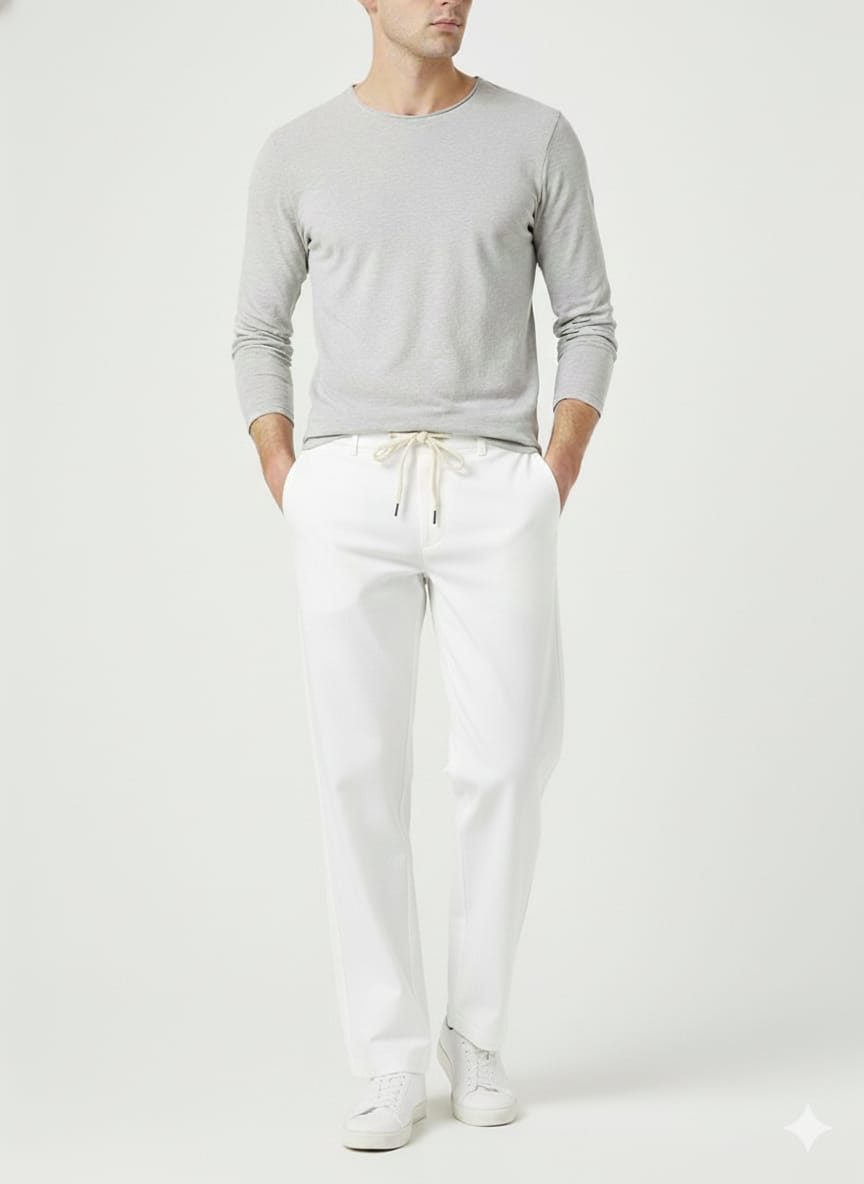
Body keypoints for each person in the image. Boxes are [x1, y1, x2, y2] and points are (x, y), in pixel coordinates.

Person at [231, 0, 617, 1153]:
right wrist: (290, 475)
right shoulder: (297, 152)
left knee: (504, 764)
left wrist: (553, 469)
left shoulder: (535, 136)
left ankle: (478, 1033)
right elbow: (258, 332)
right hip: (347, 489)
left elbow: (589, 319)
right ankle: (391, 1055)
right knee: (358, 772)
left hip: (495, 483)